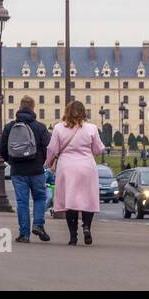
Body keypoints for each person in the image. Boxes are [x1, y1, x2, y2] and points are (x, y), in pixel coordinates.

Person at [46, 100, 106, 246]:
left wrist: (48, 163)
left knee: (70, 201)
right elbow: (99, 149)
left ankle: (73, 236)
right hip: (87, 166)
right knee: (87, 199)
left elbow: (52, 149)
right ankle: (86, 227)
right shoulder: (91, 128)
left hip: (67, 167)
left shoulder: (59, 128)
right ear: (84, 112)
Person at [0, 96, 53, 243]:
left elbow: (2, 148)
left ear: (20, 107)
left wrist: (11, 161)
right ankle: (38, 224)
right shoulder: (40, 127)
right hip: (36, 170)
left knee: (22, 202)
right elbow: (48, 148)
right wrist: (41, 162)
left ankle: (24, 234)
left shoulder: (10, 127)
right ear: (33, 107)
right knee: (40, 198)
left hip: (18, 170)